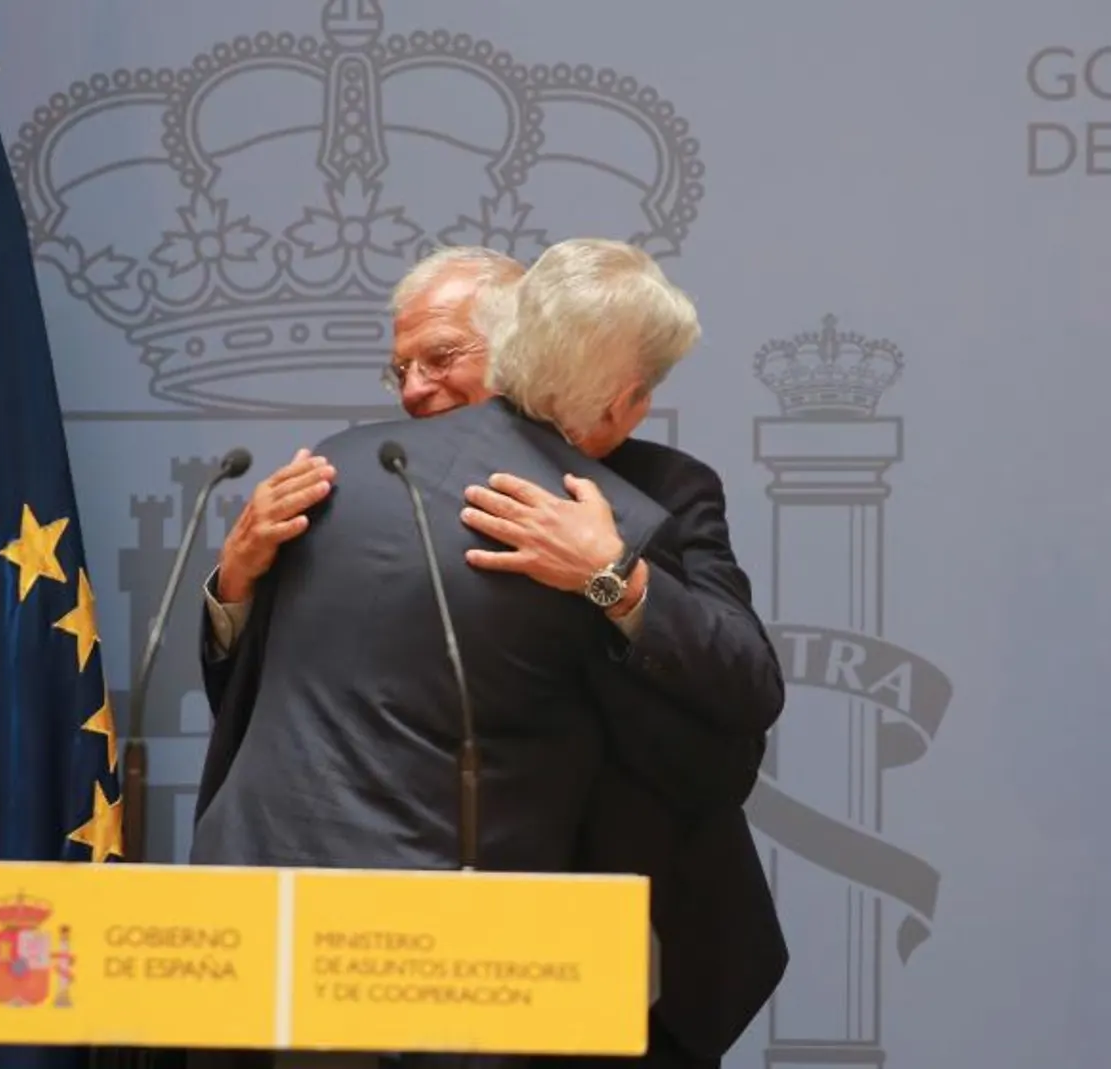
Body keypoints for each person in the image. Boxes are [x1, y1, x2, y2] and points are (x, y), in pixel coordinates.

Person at [198, 244, 786, 1069]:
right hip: (379, 919)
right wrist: (235, 586)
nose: (413, 389)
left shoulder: (660, 493)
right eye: (398, 367)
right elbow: (270, 698)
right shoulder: (351, 480)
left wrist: (612, 577)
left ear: (521, 350)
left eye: (441, 358)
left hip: (597, 897)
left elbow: (741, 680)